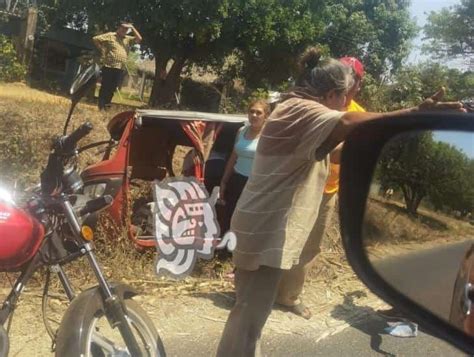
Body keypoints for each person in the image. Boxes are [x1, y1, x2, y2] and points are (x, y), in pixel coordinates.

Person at [216, 46, 464, 357]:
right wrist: (413, 115)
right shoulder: (300, 111)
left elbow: (334, 152)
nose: (347, 103)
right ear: (333, 94)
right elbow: (347, 122)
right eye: (346, 96)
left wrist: (386, 144)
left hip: (265, 226)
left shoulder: (299, 114)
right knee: (248, 319)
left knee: (251, 316)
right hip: (264, 229)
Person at [275, 56, 367, 319]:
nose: (346, 78)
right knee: (284, 235)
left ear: (357, 83)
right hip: (301, 185)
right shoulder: (318, 106)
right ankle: (265, 288)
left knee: (311, 245)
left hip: (329, 190)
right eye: (342, 72)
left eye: (351, 75)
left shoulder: (360, 113)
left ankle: (288, 295)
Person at [218, 100, 271, 234]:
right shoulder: (241, 131)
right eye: (251, 111)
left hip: (255, 183)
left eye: (258, 112)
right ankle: (226, 251)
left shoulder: (269, 136)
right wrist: (224, 181)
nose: (254, 115)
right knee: (230, 214)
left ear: (266, 116)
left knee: (249, 218)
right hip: (236, 179)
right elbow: (233, 157)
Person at [93, 23, 142, 110]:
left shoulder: (128, 39)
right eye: (123, 29)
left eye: (126, 30)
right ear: (118, 28)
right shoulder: (110, 35)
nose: (124, 31)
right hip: (109, 66)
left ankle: (107, 106)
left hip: (120, 68)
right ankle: (101, 106)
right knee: (105, 86)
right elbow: (95, 39)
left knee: (113, 88)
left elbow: (139, 39)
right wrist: (102, 49)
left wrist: (133, 27)